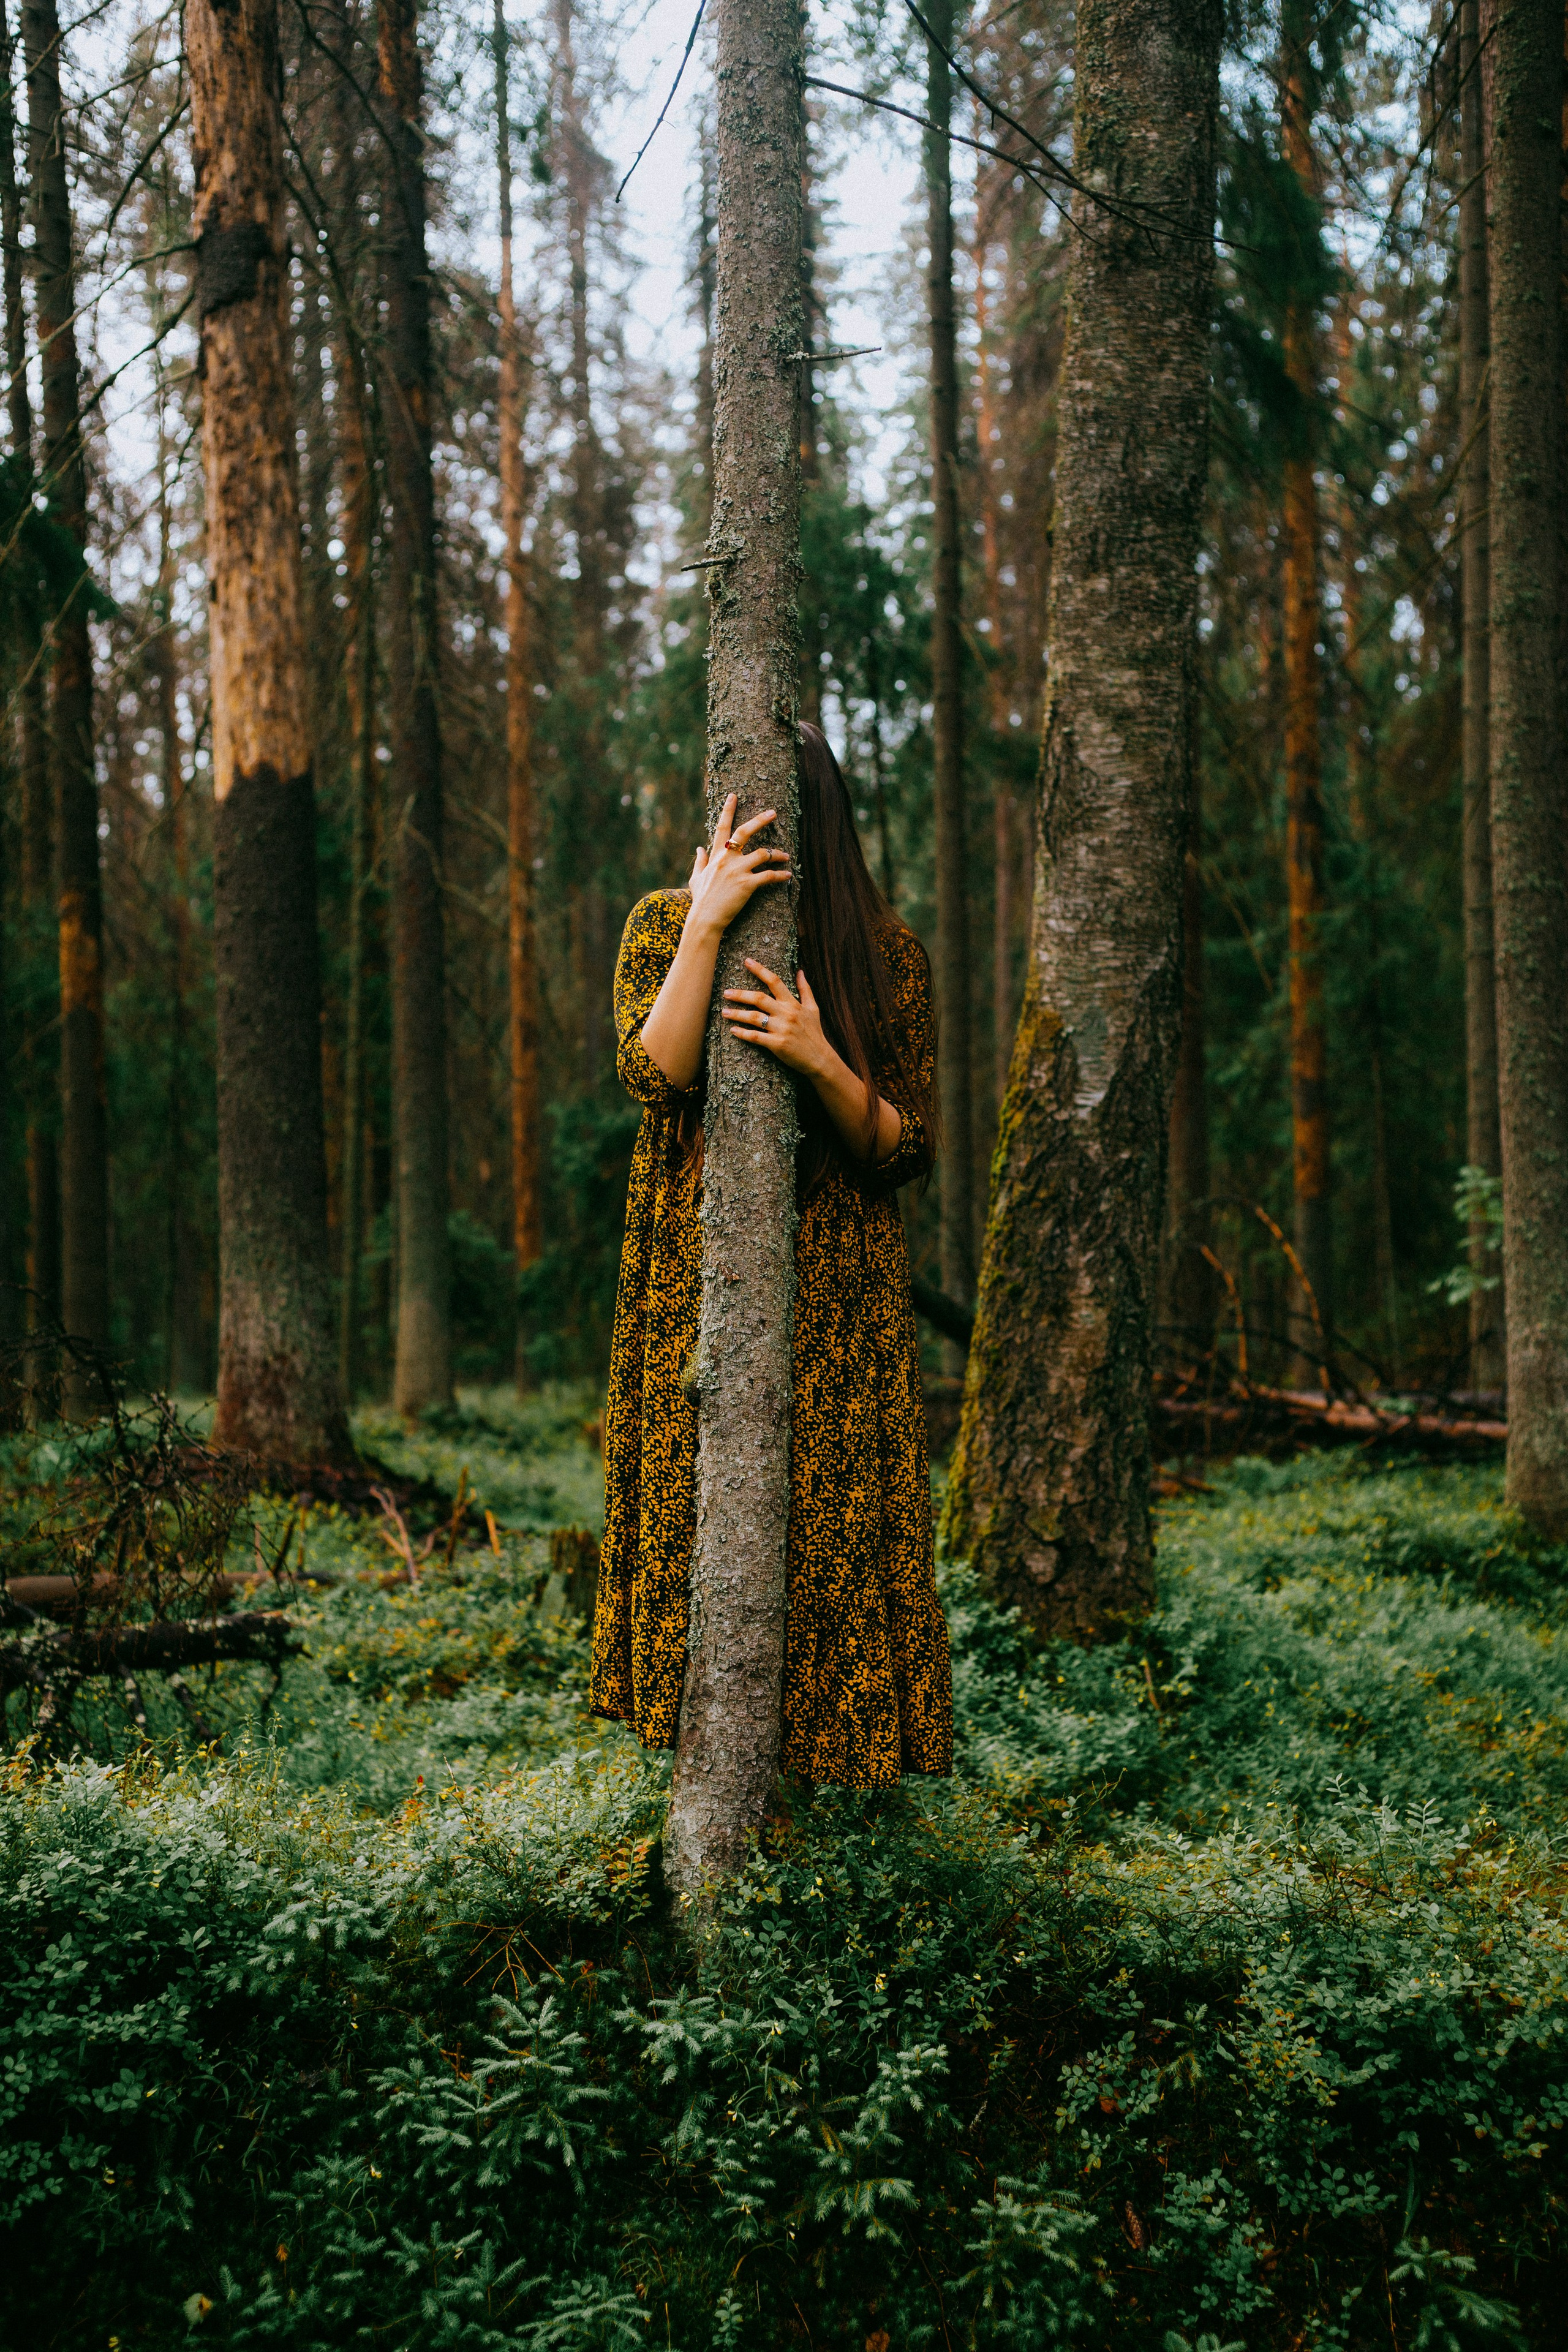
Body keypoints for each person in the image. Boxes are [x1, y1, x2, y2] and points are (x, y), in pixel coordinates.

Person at [590, 723, 953, 1787]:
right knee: (701, 1509)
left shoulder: (888, 956)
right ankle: (707, 1759)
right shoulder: (661, 924)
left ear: (811, 819)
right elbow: (653, 1076)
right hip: (690, 1277)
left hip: (840, 1288)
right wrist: (705, 928)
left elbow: (907, 1147)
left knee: (833, 1521)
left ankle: (834, 1775)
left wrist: (819, 1059)